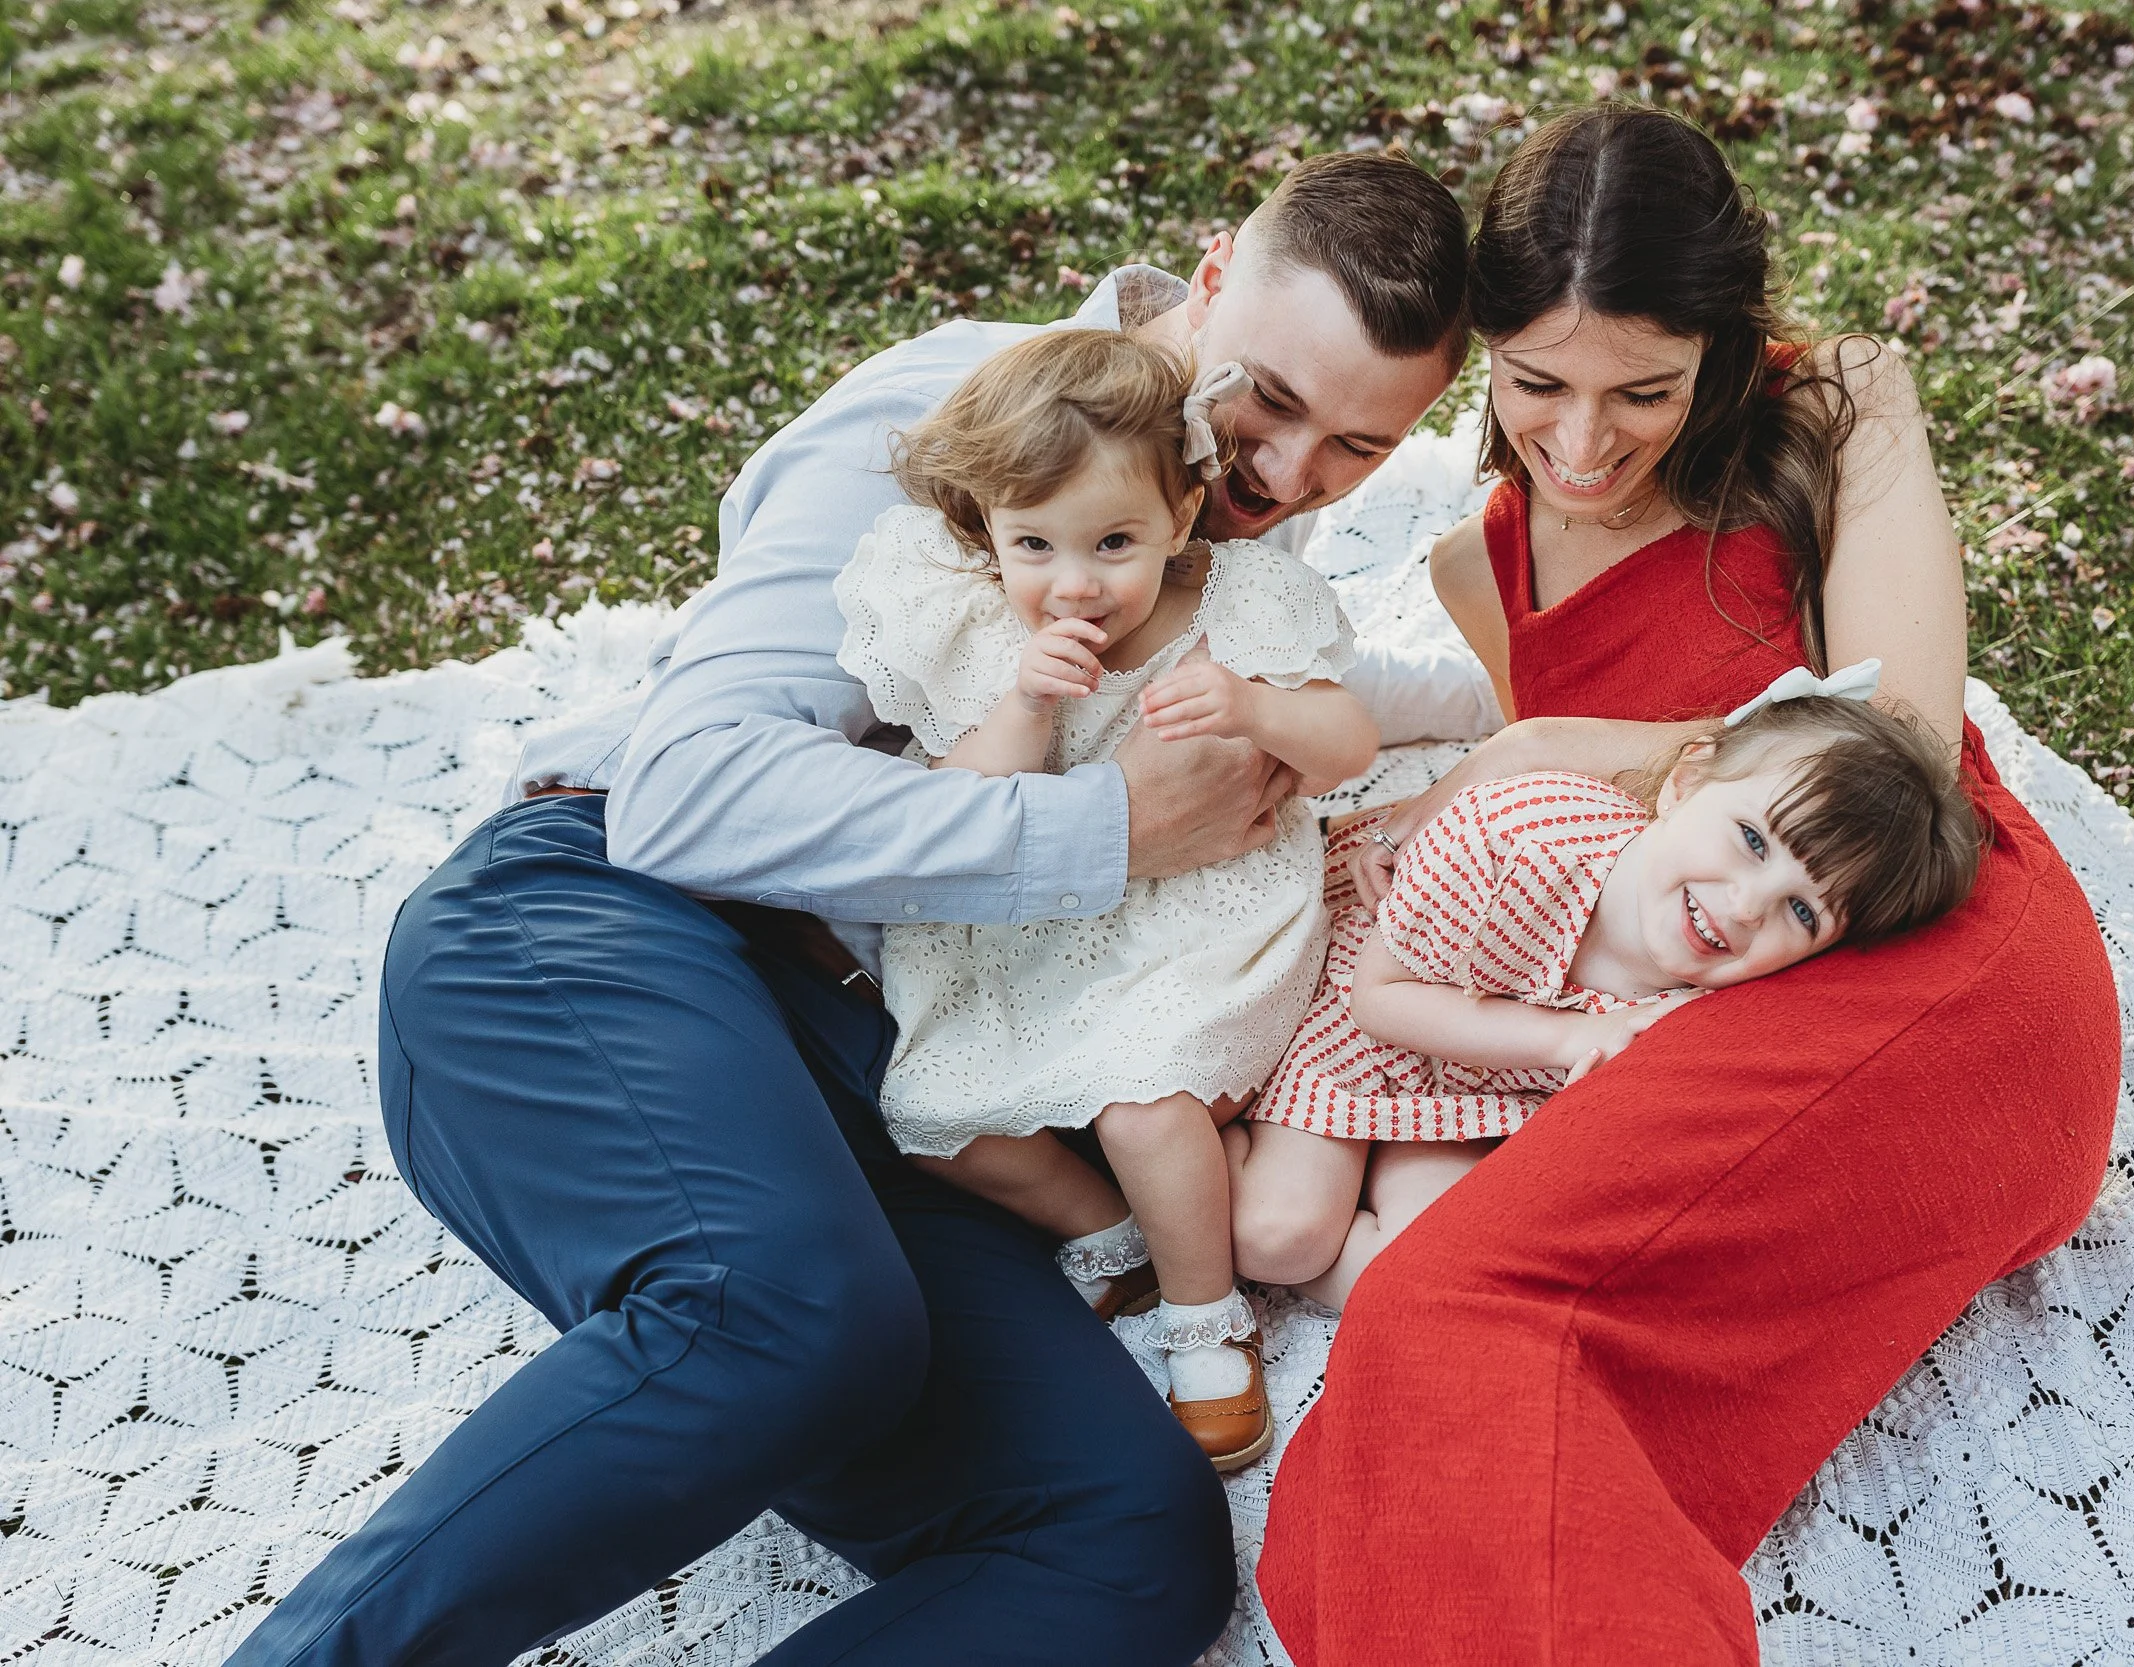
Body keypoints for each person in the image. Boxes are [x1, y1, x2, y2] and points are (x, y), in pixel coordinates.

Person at [223, 154, 1476, 1667]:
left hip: (889, 1071)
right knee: (791, 1314)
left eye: (1356, 448)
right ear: (1208, 279)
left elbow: (1344, 687)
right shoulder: (958, 413)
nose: (1285, 472)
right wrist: (1106, 832)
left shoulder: (1214, 526)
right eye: (1265, 401)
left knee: (1124, 1543)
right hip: (609, 918)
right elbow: (688, 791)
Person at [1256, 104, 2122, 1665]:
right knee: (1427, 1356)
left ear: (1719, 350)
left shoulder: (1839, 406)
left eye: (1644, 389)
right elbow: (1575, 881)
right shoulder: (1476, 566)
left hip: (1916, 935)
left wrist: (1548, 742)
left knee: (1461, 1320)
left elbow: (1903, 746)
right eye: (1536, 384)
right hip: (1720, 1001)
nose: (1584, 442)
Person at [836, 328, 1377, 1471]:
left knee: (1143, 1102)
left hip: (1207, 916)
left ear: (1180, 518)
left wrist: (1256, 707)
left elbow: (1348, 744)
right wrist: (1025, 707)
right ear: (988, 529)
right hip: (1044, 920)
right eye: (1034, 543)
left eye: (1114, 542)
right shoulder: (988, 628)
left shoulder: (1239, 602)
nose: (1074, 582)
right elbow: (961, 805)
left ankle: (1204, 1315)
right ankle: (1111, 1228)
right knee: (932, 1119)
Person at [1232, 679, 1980, 1310]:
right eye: (1753, 841)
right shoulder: (1515, 838)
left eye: (1803, 911)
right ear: (1686, 783)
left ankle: (1384, 1265)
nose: (1748, 907)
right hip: (1374, 1023)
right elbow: (1379, 997)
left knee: (1438, 1264)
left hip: (1476, 1093)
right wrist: (1565, 1039)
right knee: (1282, 1236)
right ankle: (1213, 1150)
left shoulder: (1722, 999)